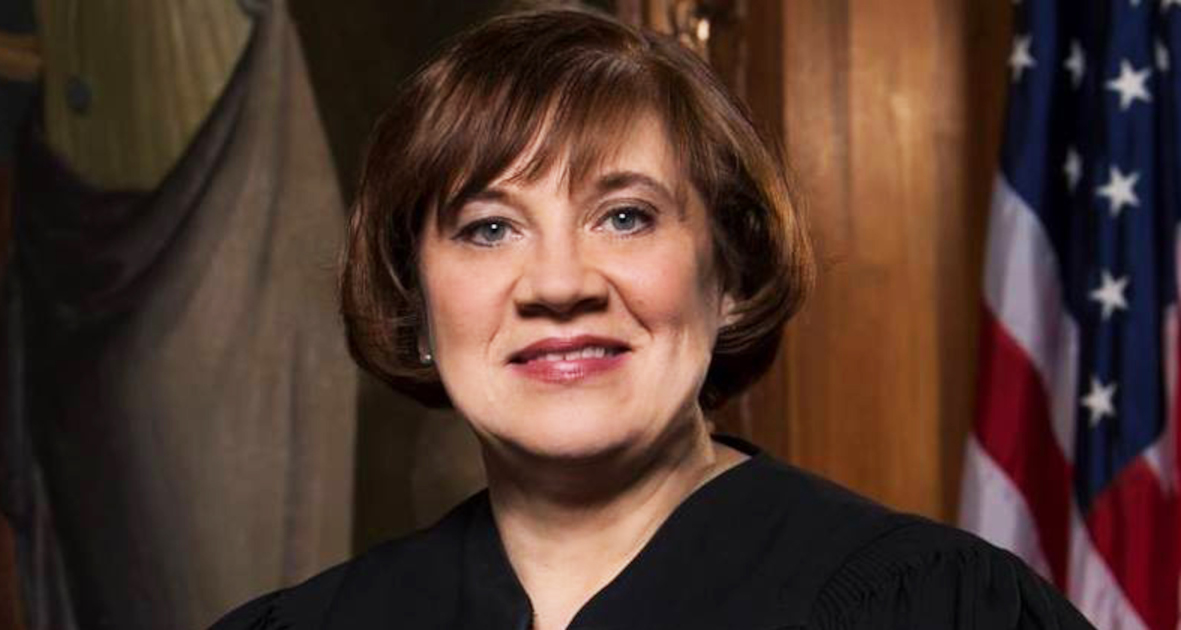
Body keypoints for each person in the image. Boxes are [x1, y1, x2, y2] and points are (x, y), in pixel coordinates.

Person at [212, 7, 1094, 630]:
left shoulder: (930, 608)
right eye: (488, 228)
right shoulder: (313, 623)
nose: (557, 283)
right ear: (414, 302)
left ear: (731, 275)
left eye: (624, 216)